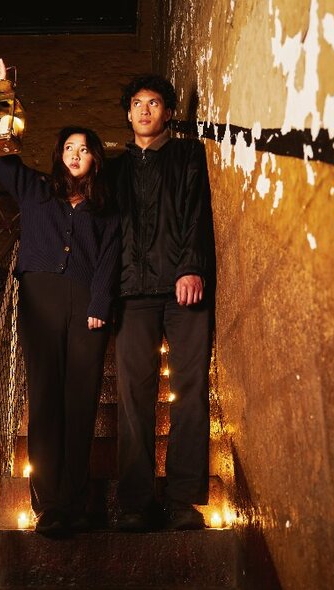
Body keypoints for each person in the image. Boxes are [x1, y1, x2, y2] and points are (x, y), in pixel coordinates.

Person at [0, 59, 120, 537]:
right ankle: (48, 506)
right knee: (44, 398)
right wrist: (2, 95)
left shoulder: (105, 208)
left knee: (80, 401)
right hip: (39, 300)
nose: (75, 154)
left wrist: (100, 305)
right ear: (59, 155)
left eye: (83, 149)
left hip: (86, 305)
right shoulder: (36, 189)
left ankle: (74, 502)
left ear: (94, 158)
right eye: (68, 148)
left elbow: (109, 257)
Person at [107, 73, 216, 531]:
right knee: (134, 395)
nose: (145, 110)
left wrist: (191, 266)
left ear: (168, 112)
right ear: (128, 113)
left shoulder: (188, 155)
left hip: (182, 288)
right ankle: (135, 503)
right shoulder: (113, 169)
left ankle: (182, 500)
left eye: (154, 102)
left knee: (190, 389)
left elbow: (197, 214)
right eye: (137, 103)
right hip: (131, 293)